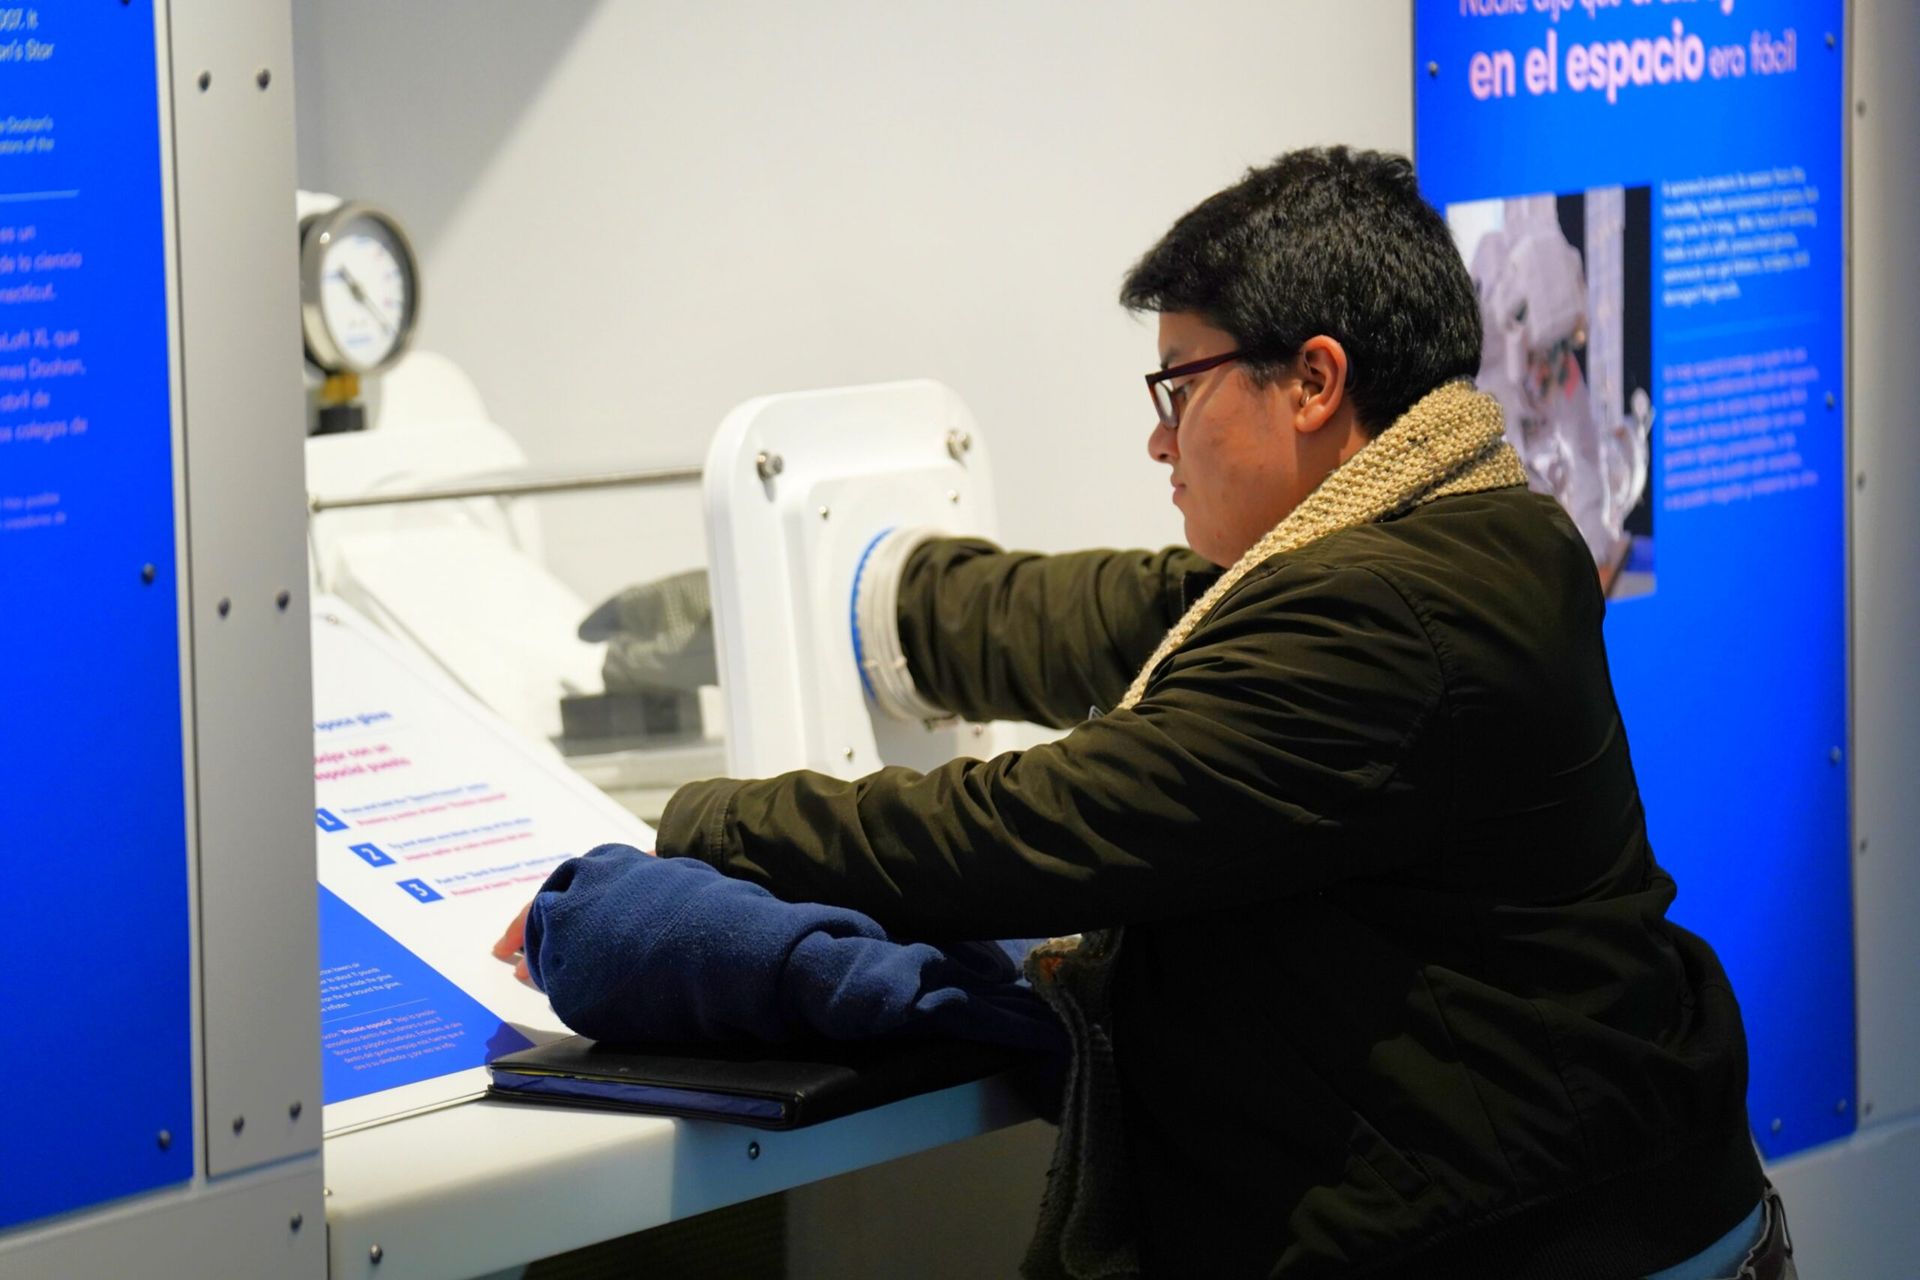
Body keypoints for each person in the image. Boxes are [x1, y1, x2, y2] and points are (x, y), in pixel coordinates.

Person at [497, 147, 1788, 1279]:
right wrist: (889, 594)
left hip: (1547, 1245)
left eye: (1180, 387)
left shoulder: (1392, 622)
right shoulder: (1454, 532)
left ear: (1314, 381)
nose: (1160, 443)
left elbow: (1035, 830)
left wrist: (697, 826)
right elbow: (1131, 613)